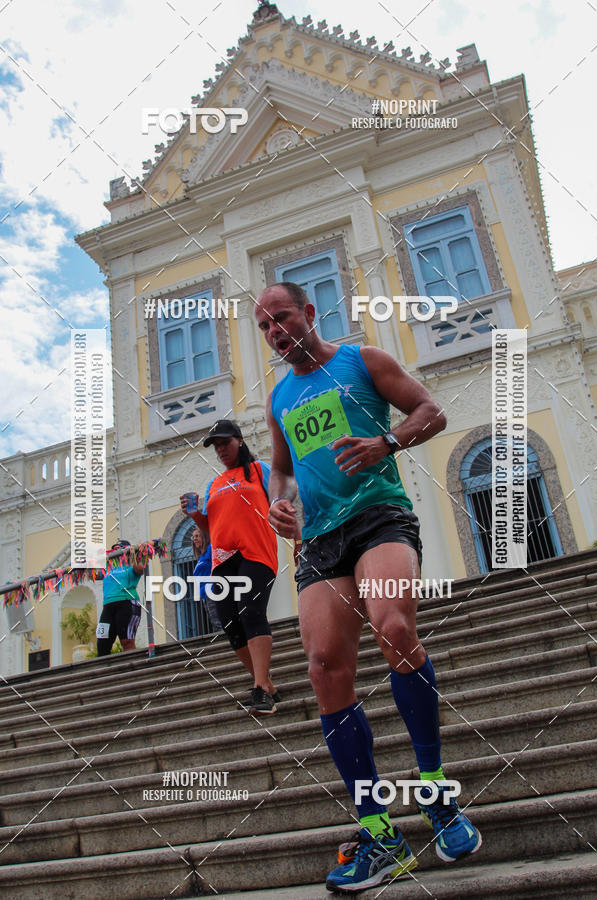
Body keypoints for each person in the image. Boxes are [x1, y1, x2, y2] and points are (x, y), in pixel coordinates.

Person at [255, 282, 482, 892]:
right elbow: (279, 467)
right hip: (320, 539)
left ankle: (436, 794)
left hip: (379, 514)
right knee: (324, 666)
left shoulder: (363, 361)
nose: (275, 331)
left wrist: (387, 440)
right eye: (264, 327)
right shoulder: (280, 398)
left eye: (281, 318)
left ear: (308, 313)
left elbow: (430, 411)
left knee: (395, 626)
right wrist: (280, 503)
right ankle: (380, 832)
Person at [180, 419, 281, 714]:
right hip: (222, 559)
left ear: (239, 440)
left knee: (251, 612)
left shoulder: (259, 470)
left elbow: (281, 499)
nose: (221, 449)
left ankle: (260, 688)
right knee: (229, 622)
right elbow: (211, 531)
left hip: (256, 553)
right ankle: (265, 685)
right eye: (216, 446)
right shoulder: (215, 483)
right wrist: (197, 514)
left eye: (225, 442)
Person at [96, 540, 144, 656]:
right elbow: (94, 575)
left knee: (127, 642)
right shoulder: (108, 567)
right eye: (114, 548)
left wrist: (132, 554)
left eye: (119, 548)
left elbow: (140, 569)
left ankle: (132, 671)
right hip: (108, 606)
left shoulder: (132, 564)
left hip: (127, 603)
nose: (116, 550)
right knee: (102, 644)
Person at [191, 527, 221, 633]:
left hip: (212, 592)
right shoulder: (201, 557)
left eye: (197, 536)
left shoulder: (210, 549)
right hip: (205, 595)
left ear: (204, 537)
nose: (194, 539)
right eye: (193, 537)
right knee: (214, 623)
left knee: (219, 624)